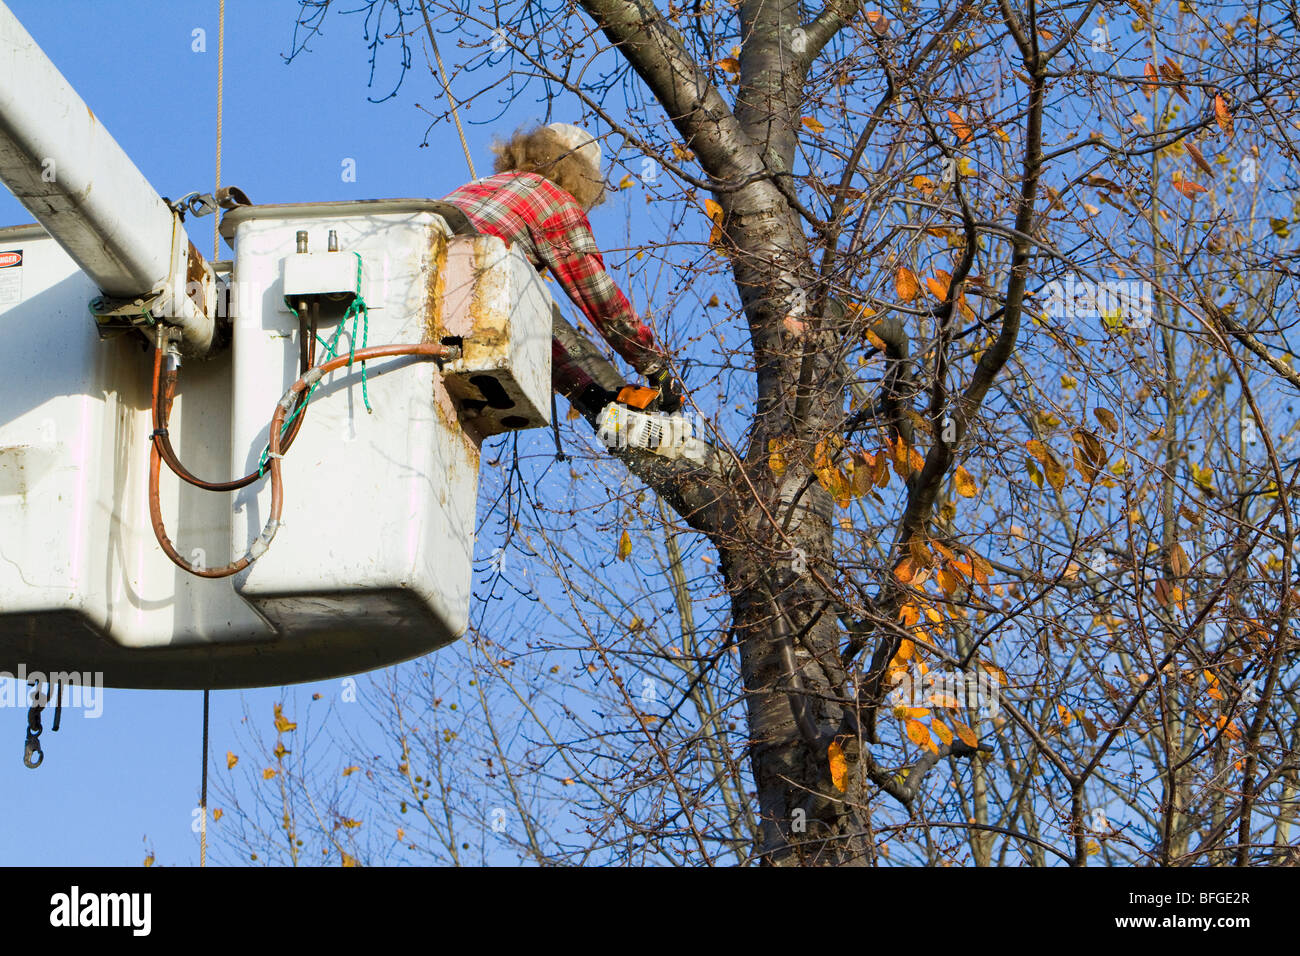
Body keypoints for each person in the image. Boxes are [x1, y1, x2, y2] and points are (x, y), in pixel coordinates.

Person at [441, 123, 680, 420]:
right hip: (469, 297)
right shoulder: (552, 198)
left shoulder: (478, 186)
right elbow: (598, 295)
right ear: (581, 175)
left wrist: (589, 395)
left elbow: (531, 330)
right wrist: (653, 365)